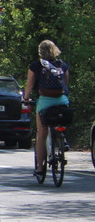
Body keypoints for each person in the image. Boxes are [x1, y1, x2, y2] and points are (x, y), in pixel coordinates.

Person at [23, 39, 70, 177]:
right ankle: (62, 140)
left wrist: (26, 98)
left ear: (40, 51)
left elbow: (30, 85)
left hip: (45, 101)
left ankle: (39, 168)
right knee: (60, 122)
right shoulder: (63, 65)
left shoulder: (36, 66)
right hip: (62, 100)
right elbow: (65, 86)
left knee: (42, 134)